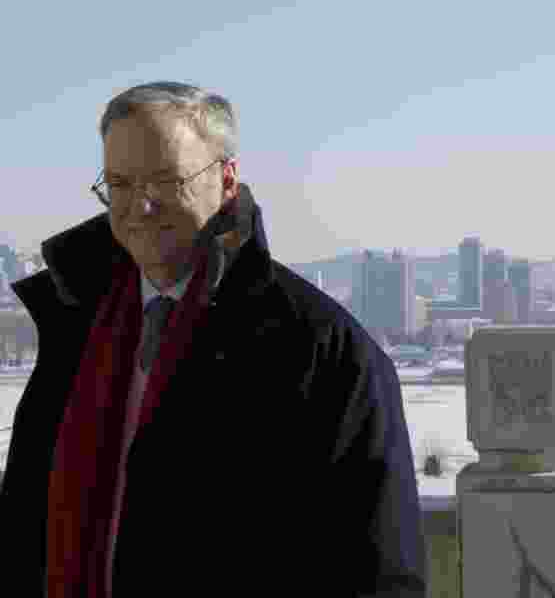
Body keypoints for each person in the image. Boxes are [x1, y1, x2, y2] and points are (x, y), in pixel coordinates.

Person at [0, 82, 427, 597]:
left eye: (166, 181)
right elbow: (23, 529)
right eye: (119, 184)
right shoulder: (74, 326)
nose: (141, 206)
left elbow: (379, 571)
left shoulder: (320, 346)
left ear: (226, 180)